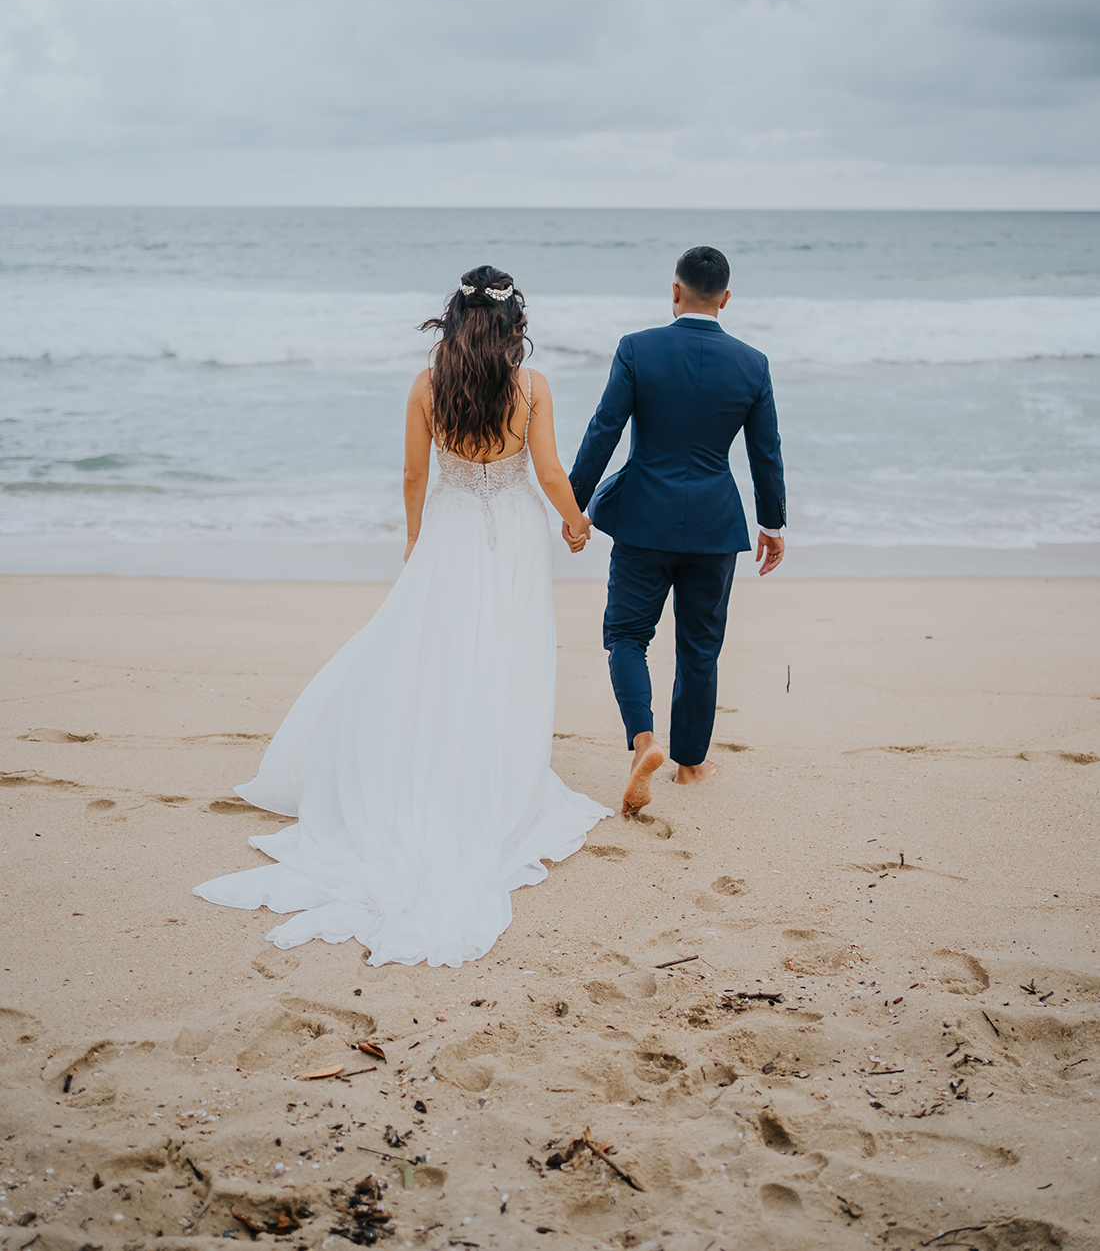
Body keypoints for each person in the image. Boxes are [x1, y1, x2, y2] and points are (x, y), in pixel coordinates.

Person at [195, 266, 611, 968]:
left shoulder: (427, 386)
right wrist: (575, 523)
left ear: (453, 319)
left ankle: (423, 764)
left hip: (448, 529)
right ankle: (495, 770)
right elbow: (547, 473)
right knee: (506, 653)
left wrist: (415, 538)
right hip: (510, 532)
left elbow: (415, 475)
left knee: (434, 653)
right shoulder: (531, 388)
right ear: (514, 325)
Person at [566, 246, 786, 815]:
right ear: (726, 299)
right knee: (700, 648)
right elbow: (766, 452)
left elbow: (604, 429)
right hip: (716, 526)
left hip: (643, 521)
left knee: (627, 636)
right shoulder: (752, 363)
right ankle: (690, 765)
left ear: (675, 291)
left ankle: (644, 741)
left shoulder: (638, 349)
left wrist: (575, 505)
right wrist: (773, 523)